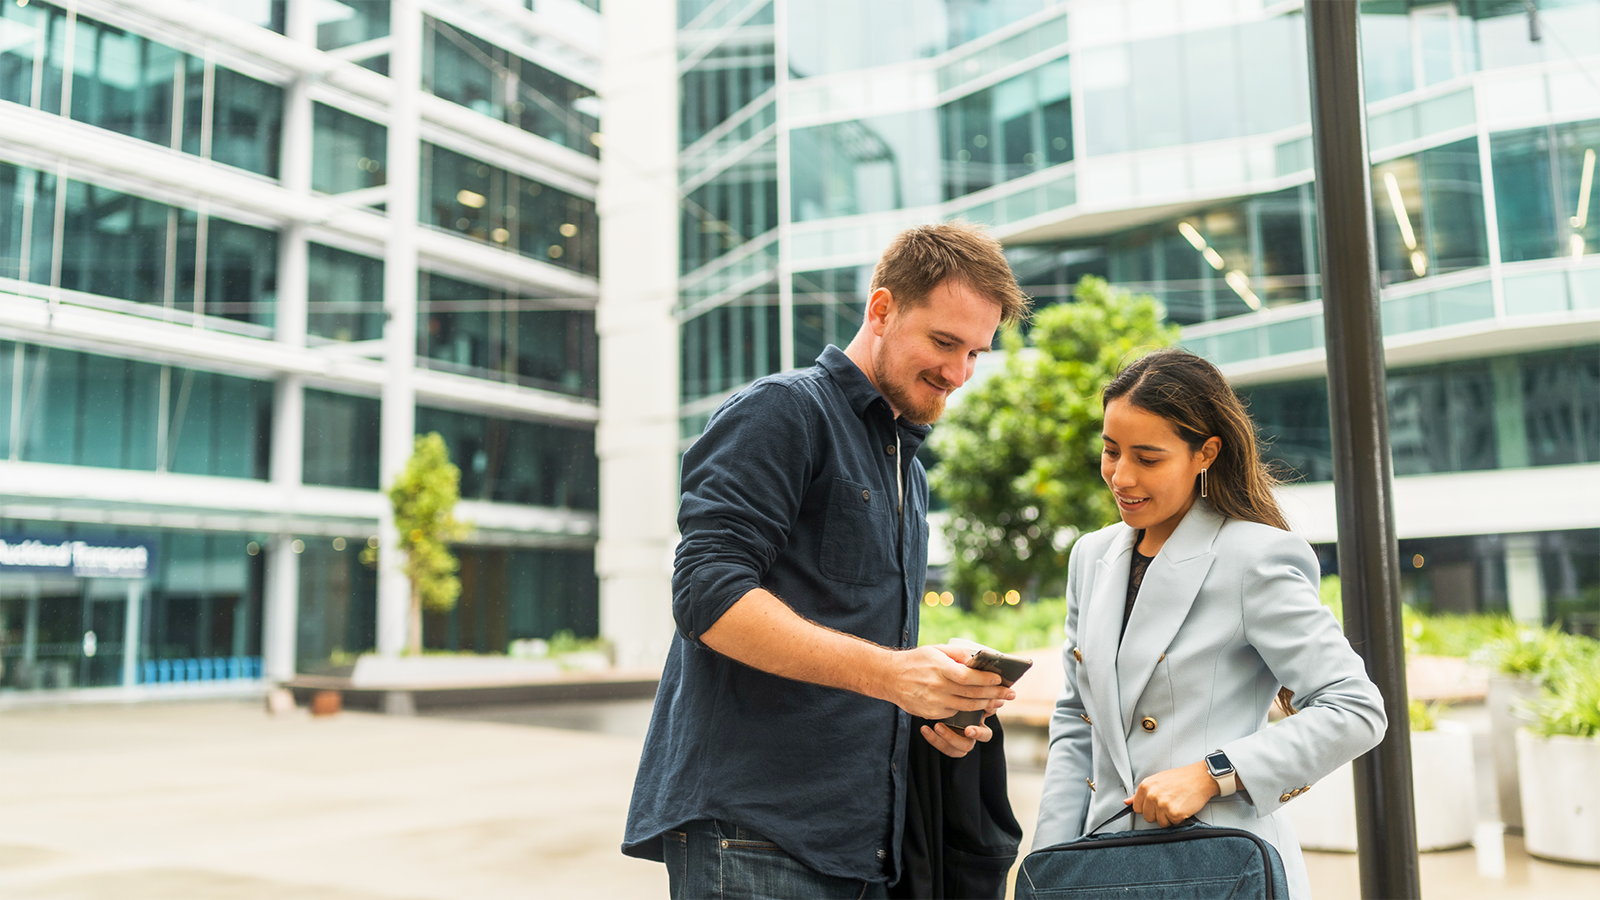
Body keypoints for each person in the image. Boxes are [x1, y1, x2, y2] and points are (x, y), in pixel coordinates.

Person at [622, 222, 1032, 899]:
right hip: (756, 837)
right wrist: (896, 675)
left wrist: (933, 706)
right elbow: (706, 594)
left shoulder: (908, 468)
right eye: (943, 342)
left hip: (862, 850)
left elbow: (856, 647)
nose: (958, 373)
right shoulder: (783, 412)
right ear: (882, 309)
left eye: (975, 354)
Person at [1032, 348, 1387, 900]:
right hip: (1099, 868)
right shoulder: (1091, 556)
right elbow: (1078, 721)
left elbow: (1356, 707)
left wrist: (1211, 773)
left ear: (1206, 452)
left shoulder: (1255, 557)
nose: (1120, 476)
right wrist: (1047, 866)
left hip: (1215, 868)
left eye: (1148, 458)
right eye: (1110, 451)